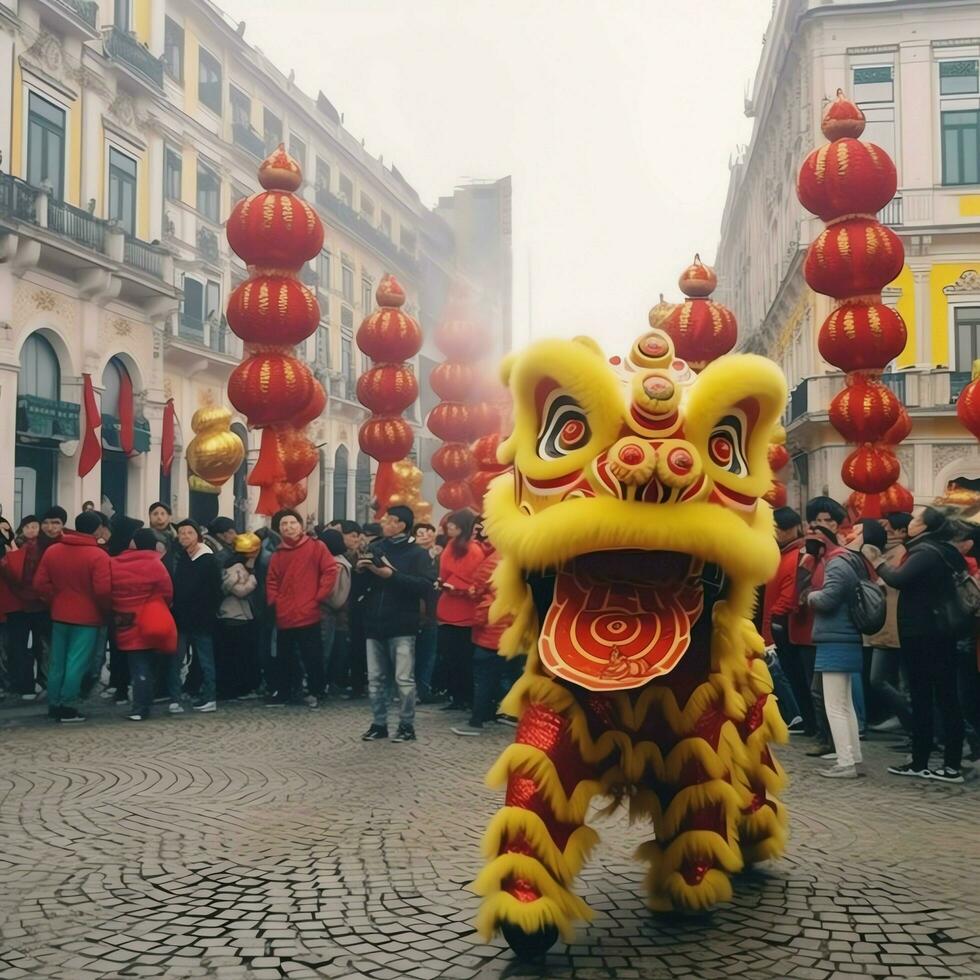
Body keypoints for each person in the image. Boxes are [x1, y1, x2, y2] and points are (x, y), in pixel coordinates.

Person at [874, 506, 968, 783]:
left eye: (916, 520)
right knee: (941, 698)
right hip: (940, 635)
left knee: (931, 698)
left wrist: (877, 561)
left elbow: (898, 579)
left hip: (926, 636)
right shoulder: (944, 550)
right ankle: (933, 763)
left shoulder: (926, 552)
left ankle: (936, 764)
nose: (910, 523)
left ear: (925, 527)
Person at [806, 519, 885, 778]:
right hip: (845, 637)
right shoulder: (851, 561)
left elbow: (829, 599)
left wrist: (810, 596)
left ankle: (846, 762)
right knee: (844, 703)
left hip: (835, 638)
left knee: (835, 706)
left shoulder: (838, 562)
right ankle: (853, 758)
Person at [358, 505, 436, 743]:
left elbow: (425, 585)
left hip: (402, 623)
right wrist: (361, 571)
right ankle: (378, 723)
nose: (384, 523)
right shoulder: (376, 547)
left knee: (403, 679)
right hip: (374, 622)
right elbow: (362, 588)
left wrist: (391, 575)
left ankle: (406, 725)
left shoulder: (417, 554)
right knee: (375, 679)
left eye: (390, 520)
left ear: (402, 524)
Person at [33, 511, 112, 722]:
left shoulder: (53, 551)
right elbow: (103, 590)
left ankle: (54, 702)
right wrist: (104, 610)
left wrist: (55, 599)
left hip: (59, 613)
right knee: (76, 662)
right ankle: (68, 705)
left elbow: (39, 584)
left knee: (57, 661)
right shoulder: (98, 555)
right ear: (97, 529)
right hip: (87, 617)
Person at [265, 509, 338, 707]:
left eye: (292, 523)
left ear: (301, 526)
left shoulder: (316, 547)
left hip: (309, 611)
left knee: (312, 655)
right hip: (285, 613)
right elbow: (272, 580)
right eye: (284, 524)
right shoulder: (278, 553)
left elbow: (330, 570)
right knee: (284, 656)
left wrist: (319, 596)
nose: (288, 527)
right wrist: (275, 601)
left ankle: (317, 691)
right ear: (279, 529)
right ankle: (287, 692)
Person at [452, 522, 513, 736]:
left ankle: (477, 719)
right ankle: (507, 713)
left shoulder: (495, 559)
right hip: (515, 625)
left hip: (493, 624)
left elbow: (476, 587)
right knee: (508, 671)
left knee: (484, 673)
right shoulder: (522, 558)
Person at [796, 496, 846, 757]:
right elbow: (800, 590)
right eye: (817, 521)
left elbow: (827, 594)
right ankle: (825, 737)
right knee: (817, 690)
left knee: (829, 693)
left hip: (835, 632)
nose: (821, 526)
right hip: (811, 629)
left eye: (828, 521)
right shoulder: (810, 555)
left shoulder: (840, 555)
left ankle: (833, 742)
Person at [110, 528, 177, 720]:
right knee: (146, 665)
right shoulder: (156, 564)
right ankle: (142, 706)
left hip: (124, 619)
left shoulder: (115, 563)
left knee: (136, 662)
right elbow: (167, 592)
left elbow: (108, 588)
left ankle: (139, 705)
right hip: (151, 619)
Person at [170, 519, 223, 714]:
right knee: (176, 659)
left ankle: (210, 697)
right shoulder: (181, 557)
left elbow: (216, 590)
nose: (184, 536)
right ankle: (174, 698)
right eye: (181, 533)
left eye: (189, 533)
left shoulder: (208, 559)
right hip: (181, 618)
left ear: (197, 536)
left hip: (202, 618)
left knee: (205, 660)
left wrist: (208, 611)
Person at [866, 512, 912, 733]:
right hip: (885, 627)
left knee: (886, 680)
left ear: (902, 532)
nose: (886, 534)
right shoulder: (887, 553)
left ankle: (913, 725)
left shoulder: (903, 554)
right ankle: (910, 725)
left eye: (889, 530)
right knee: (889, 680)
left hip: (895, 627)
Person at [762, 506, 807, 734]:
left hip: (784, 625)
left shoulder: (796, 555)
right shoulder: (782, 554)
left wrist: (772, 621)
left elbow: (788, 596)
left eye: (778, 529)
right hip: (777, 623)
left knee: (785, 673)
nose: (775, 534)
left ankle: (798, 714)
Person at [436, 510, 483, 712]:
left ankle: (466, 697)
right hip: (448, 608)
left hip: (465, 611)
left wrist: (457, 587)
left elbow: (475, 581)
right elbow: (445, 572)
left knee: (464, 658)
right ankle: (456, 696)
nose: (449, 528)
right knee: (450, 656)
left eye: (453, 525)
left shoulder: (473, 550)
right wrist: (442, 582)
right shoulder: (450, 546)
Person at [216, 533, 261, 700]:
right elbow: (240, 591)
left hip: (234, 616)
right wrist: (253, 579)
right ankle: (236, 688)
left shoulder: (228, 566)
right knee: (237, 656)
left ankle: (231, 688)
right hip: (236, 616)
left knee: (232, 656)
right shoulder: (237, 569)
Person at [318, 528, 351, 697]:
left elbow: (335, 596)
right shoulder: (340, 561)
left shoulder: (336, 565)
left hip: (329, 611)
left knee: (326, 650)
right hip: (335, 613)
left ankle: (322, 685)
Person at [413, 522, 441, 702]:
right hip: (418, 611)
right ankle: (418, 691)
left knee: (428, 654)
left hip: (435, 611)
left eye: (429, 532)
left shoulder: (441, 556)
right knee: (420, 654)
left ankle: (423, 689)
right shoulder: (413, 558)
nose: (425, 536)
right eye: (420, 533)